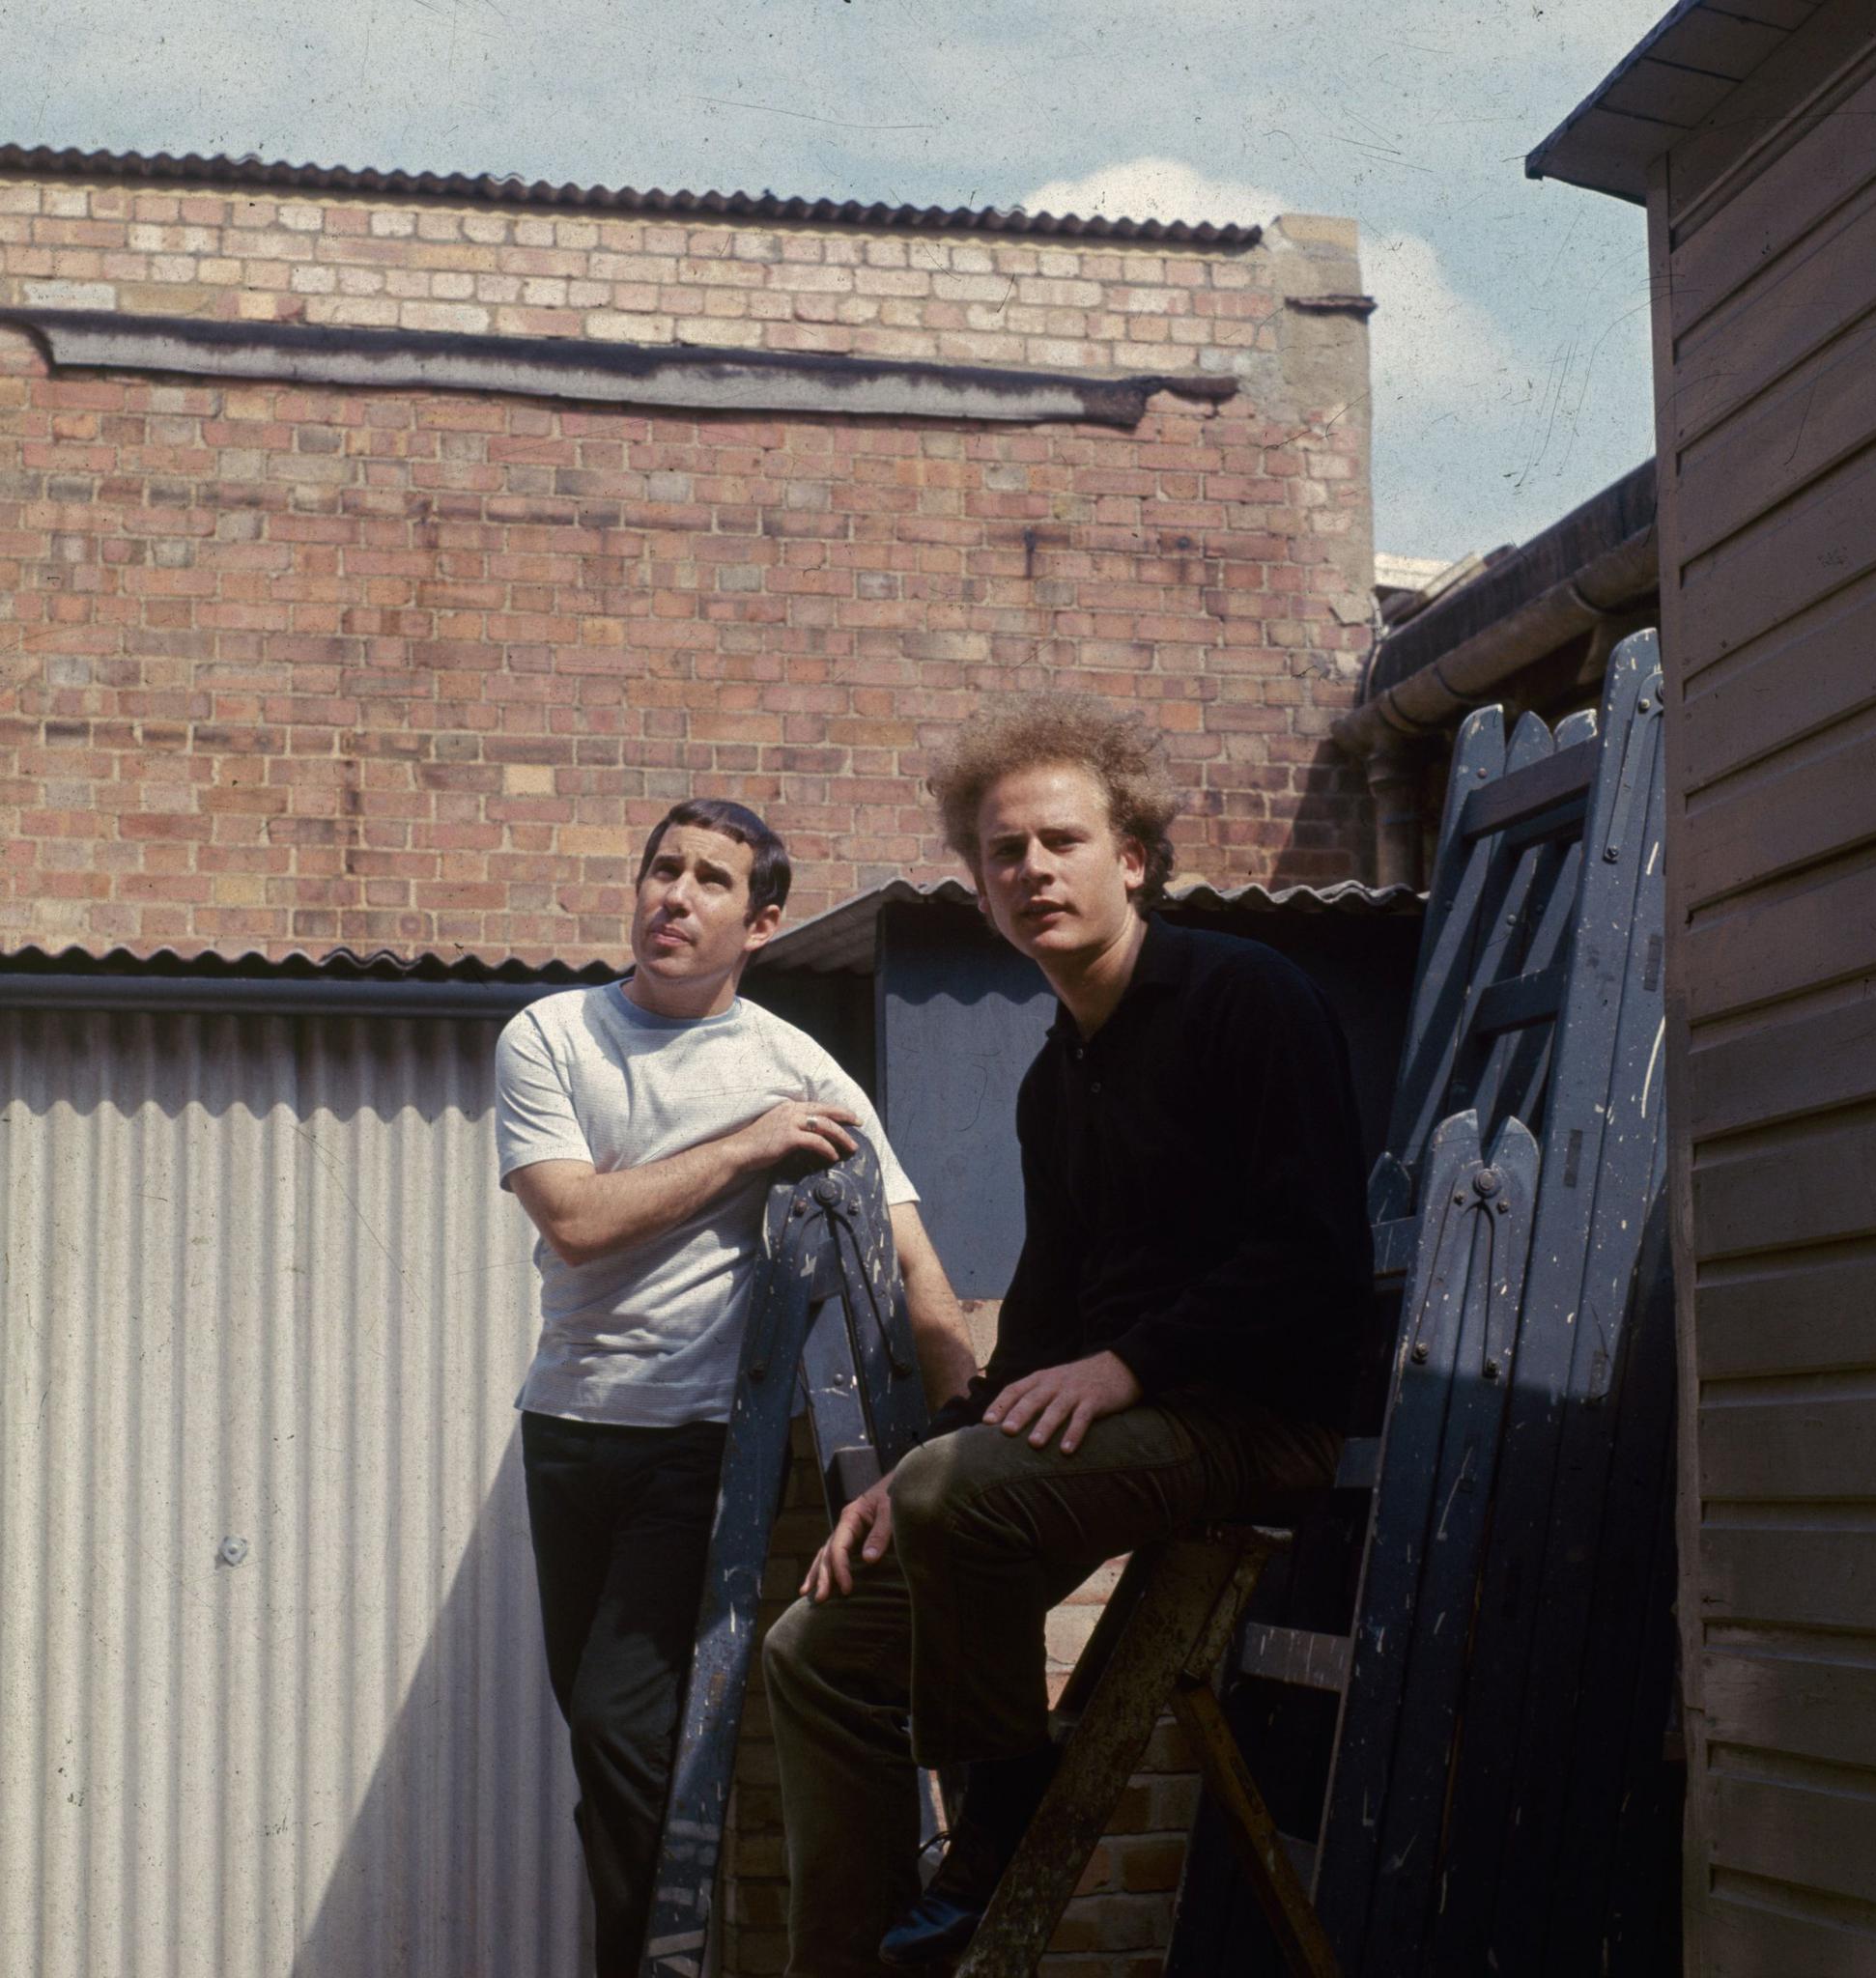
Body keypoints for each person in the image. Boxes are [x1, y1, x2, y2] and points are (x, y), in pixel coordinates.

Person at [763, 694, 1374, 1973]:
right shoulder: (1058, 1075)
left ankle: (995, 1825)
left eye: (1060, 841)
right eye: (1001, 852)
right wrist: (918, 1462)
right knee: (813, 1651)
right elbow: (1045, 1307)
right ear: (978, 890)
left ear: (1131, 858)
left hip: (1259, 1419)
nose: (1030, 870)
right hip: (1138, 1417)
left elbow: (1312, 1257)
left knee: (961, 1499)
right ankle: (864, 1952)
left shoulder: (1246, 999)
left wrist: (1128, 1364)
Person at [495, 796, 978, 1978]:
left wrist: (963, 1432)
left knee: (622, 1729)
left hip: (696, 1441)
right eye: (664, 868)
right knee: (609, 1749)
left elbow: (913, 1264)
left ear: (759, 921)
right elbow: (575, 1221)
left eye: (712, 880)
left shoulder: (795, 1064)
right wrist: (749, 1147)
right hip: (566, 1426)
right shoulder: (551, 1033)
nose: (675, 895)